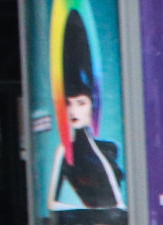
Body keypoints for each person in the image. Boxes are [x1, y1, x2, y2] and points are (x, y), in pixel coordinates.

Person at [48, 13, 124, 212]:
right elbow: (51, 203)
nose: (73, 110)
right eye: (68, 103)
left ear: (93, 104)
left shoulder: (108, 150)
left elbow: (118, 202)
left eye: (81, 103)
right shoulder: (64, 152)